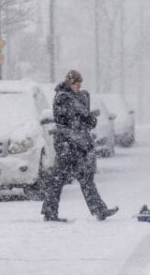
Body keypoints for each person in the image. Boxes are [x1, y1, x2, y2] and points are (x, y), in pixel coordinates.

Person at [41, 69, 118, 222]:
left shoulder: (77, 97)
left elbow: (85, 119)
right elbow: (75, 117)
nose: (78, 86)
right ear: (70, 83)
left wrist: (86, 119)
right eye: (76, 84)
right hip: (66, 145)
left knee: (84, 178)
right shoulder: (62, 97)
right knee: (60, 178)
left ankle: (99, 210)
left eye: (79, 84)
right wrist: (84, 118)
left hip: (78, 144)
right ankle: (50, 211)